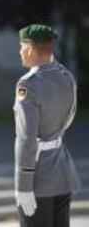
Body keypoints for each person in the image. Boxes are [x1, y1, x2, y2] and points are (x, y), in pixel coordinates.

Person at [14, 24, 81, 227]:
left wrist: (24, 185)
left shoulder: (28, 85)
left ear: (31, 49)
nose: (20, 51)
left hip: (38, 178)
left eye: (21, 46)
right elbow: (69, 117)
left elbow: (27, 139)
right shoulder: (67, 77)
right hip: (62, 172)